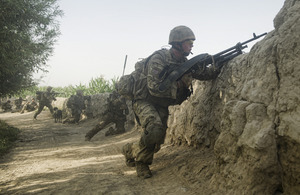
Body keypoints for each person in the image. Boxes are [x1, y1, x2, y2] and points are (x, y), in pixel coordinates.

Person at [121, 26, 221, 179]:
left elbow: (203, 74)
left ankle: (130, 150)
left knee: (156, 143)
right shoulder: (159, 59)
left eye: (192, 42)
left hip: (160, 104)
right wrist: (180, 85)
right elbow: (154, 88)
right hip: (144, 100)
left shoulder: (185, 63)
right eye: (189, 42)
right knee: (154, 129)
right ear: (178, 44)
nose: (192, 45)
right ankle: (142, 164)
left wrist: (218, 65)